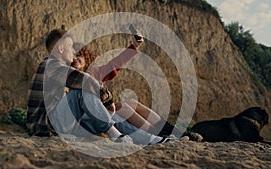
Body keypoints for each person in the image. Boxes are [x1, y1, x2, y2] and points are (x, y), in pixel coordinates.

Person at [26, 26, 174, 144]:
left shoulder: (60, 70)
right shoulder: (50, 65)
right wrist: (108, 101)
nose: (73, 51)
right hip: (46, 127)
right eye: (70, 47)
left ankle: (153, 140)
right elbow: (86, 81)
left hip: (62, 125)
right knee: (82, 92)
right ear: (60, 49)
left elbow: (111, 67)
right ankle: (116, 135)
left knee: (114, 116)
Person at [70, 33, 202, 141]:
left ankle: (178, 132)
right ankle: (162, 136)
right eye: (72, 56)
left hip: (102, 114)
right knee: (123, 108)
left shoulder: (93, 73)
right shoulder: (66, 75)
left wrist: (134, 46)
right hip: (89, 120)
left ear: (86, 57)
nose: (75, 58)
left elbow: (114, 65)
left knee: (131, 103)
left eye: (78, 55)